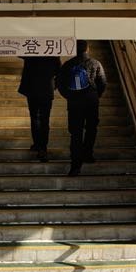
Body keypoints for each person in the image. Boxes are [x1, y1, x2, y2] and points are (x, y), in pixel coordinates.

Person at [57, 40, 107, 176]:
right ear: (88, 49)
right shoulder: (95, 63)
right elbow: (102, 82)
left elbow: (60, 84)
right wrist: (97, 95)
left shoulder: (68, 64)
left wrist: (69, 96)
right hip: (91, 100)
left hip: (74, 102)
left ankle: (75, 165)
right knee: (91, 128)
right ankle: (88, 154)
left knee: (75, 133)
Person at [18, 56, 61, 162]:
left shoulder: (31, 54)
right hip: (46, 90)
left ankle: (38, 144)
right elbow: (60, 72)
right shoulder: (53, 55)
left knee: (34, 118)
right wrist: (55, 85)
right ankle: (42, 147)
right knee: (44, 119)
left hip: (32, 89)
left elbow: (20, 54)